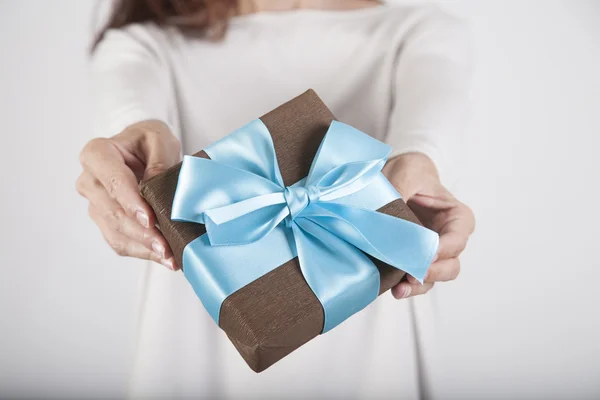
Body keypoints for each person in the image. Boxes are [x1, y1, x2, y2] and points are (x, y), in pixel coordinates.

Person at [76, 0, 475, 398]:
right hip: (200, 329)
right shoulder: (144, 45)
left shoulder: (418, 29)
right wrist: (127, 162)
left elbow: (426, 125)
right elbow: (130, 107)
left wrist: (419, 163)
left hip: (375, 332)